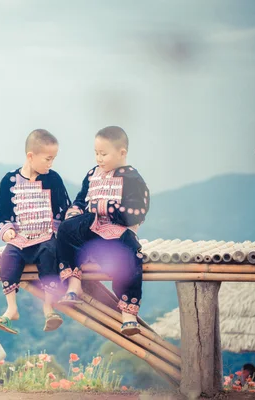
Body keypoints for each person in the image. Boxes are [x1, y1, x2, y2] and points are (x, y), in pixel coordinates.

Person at [56, 126, 150, 336]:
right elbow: (81, 200)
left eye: (104, 154)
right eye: (96, 153)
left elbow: (137, 211)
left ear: (122, 153)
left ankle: (128, 314)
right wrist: (74, 212)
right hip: (90, 228)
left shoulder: (132, 179)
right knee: (65, 230)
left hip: (119, 232)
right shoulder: (92, 175)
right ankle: (74, 284)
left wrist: (105, 207)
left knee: (132, 255)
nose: (99, 158)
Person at [0, 129, 71, 334]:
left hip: (46, 236)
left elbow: (65, 209)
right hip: (20, 238)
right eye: (48, 159)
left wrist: (61, 232)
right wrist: (7, 230)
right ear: (31, 156)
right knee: (8, 256)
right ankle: (11, 308)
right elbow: (2, 215)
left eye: (53, 159)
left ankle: (48, 307)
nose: (50, 164)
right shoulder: (9, 181)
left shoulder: (53, 180)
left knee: (49, 253)